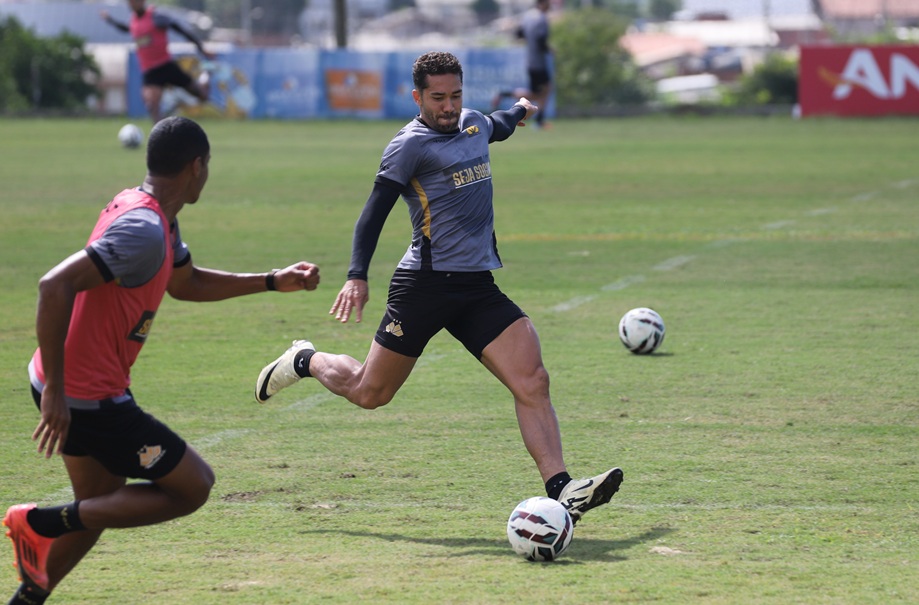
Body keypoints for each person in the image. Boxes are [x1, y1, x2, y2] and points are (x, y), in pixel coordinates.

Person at [255, 51, 622, 527]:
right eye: (438, 98)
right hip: (424, 286)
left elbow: (499, 124)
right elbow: (372, 214)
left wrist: (520, 110)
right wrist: (356, 275)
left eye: (455, 96)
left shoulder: (473, 123)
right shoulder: (408, 146)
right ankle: (304, 360)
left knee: (532, 379)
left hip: (476, 286)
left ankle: (562, 488)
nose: (448, 107)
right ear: (417, 97)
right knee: (370, 393)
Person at [2, 117, 320, 605]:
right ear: (197, 167)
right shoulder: (144, 230)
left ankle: (28, 594)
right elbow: (53, 286)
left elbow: (186, 283)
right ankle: (41, 522)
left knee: (101, 505)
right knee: (193, 486)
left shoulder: (152, 214)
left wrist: (272, 280)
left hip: (70, 383)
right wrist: (57, 395)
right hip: (84, 396)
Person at [101, 0, 214, 123]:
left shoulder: (155, 17)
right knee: (151, 104)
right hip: (150, 71)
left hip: (165, 65)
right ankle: (161, 132)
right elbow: (125, 29)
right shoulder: (134, 22)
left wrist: (200, 48)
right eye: (130, 2)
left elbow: (179, 28)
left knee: (202, 96)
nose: (132, 4)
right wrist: (109, 20)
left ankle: (206, 75)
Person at [518, 0, 553, 128]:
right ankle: (539, 121)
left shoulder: (528, 16)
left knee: (541, 91)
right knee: (541, 91)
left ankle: (539, 120)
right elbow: (540, 40)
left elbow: (519, 33)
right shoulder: (541, 19)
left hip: (530, 60)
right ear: (542, 3)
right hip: (538, 62)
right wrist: (549, 50)